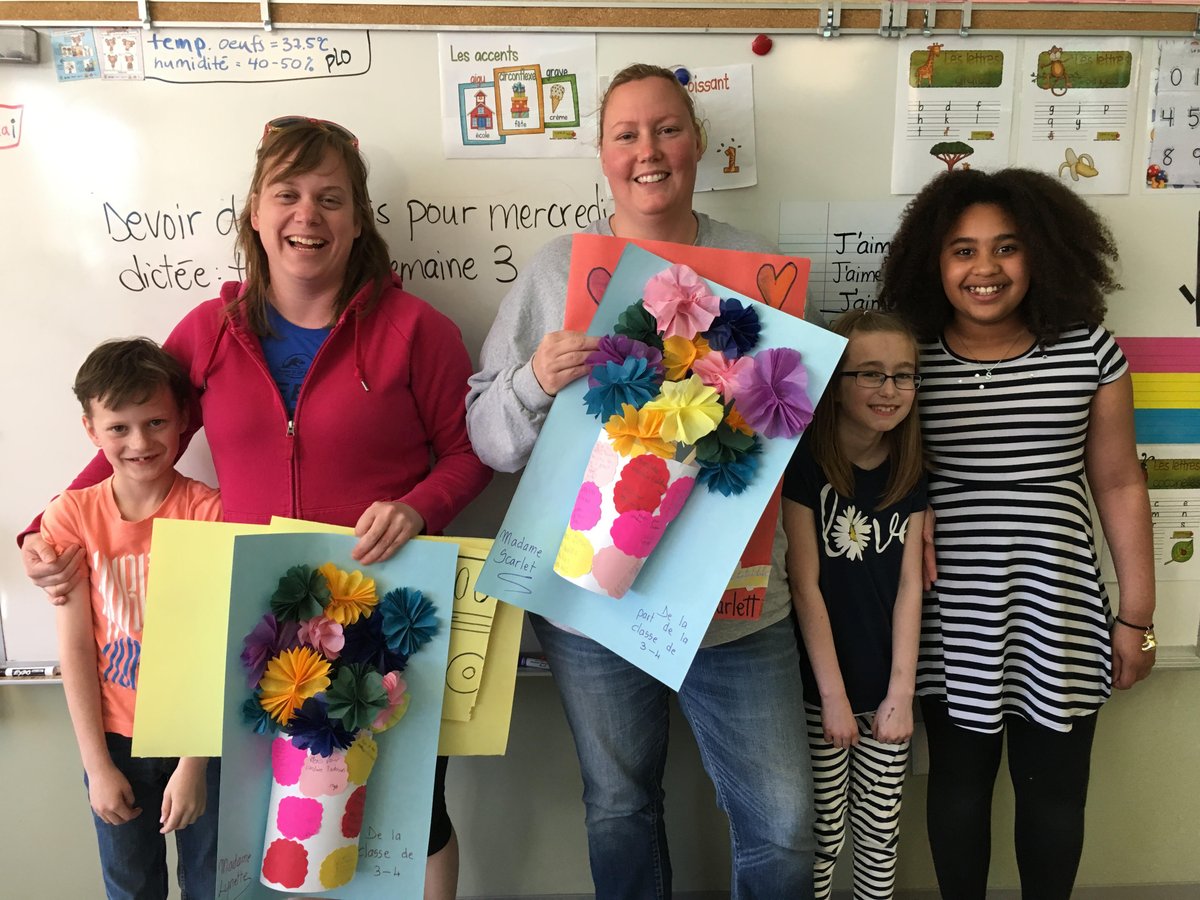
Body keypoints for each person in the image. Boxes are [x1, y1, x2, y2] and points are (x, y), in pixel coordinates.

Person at [20, 116, 492, 900]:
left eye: (330, 198)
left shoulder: (419, 332)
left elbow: (470, 455)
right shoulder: (210, 333)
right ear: (255, 210)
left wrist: (416, 507)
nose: (308, 215)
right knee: (268, 819)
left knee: (409, 807)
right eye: (289, 194)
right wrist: (51, 526)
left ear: (358, 218)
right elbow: (134, 436)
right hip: (252, 623)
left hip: (385, 608)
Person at [466, 63, 816, 899]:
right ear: (601, 152)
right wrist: (533, 383)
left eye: (666, 129)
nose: (648, 150)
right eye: (626, 133)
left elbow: (798, 436)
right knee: (619, 808)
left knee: (785, 822)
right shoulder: (559, 271)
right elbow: (487, 438)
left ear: (699, 142)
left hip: (736, 602)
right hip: (593, 599)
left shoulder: (761, 269)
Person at [878, 167, 1156, 899]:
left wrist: (1138, 616)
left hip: (1056, 608)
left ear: (1041, 252)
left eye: (1006, 247)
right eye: (962, 250)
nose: (985, 268)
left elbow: (1121, 482)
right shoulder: (909, 360)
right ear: (933, 264)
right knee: (959, 792)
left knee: (1055, 795)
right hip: (948, 613)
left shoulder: (1088, 350)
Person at [45, 337, 223, 900]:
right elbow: (74, 648)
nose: (140, 442)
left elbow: (219, 640)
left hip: (200, 740)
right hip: (114, 742)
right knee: (131, 888)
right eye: (118, 427)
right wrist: (96, 765)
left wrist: (194, 762)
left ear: (181, 422)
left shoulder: (210, 511)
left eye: (155, 422)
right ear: (91, 431)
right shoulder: (71, 514)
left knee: (214, 885)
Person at [782, 310, 926, 900]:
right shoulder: (804, 466)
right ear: (836, 385)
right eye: (870, 374)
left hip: (886, 691)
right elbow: (804, 585)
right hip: (820, 690)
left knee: (878, 833)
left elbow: (911, 587)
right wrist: (834, 699)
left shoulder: (911, 468)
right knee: (822, 832)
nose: (889, 390)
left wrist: (899, 695)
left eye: (903, 376)